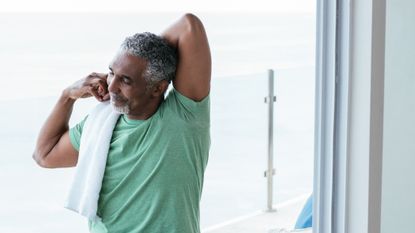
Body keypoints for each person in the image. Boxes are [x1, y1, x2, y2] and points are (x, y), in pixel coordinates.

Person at [33, 13, 211, 233]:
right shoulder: (100, 125)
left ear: (158, 87)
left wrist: (151, 58)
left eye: (126, 80)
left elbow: (188, 25)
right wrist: (67, 96)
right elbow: (44, 155)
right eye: (111, 73)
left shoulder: (183, 117)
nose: (111, 87)